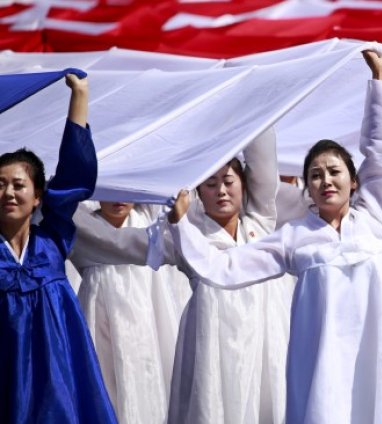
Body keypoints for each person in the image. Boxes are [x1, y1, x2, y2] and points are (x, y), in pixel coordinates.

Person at [167, 50, 382, 423]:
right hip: (324, 371)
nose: (326, 181)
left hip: (377, 360)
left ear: (354, 180)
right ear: (307, 189)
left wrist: (379, 83)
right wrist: (180, 225)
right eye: (316, 175)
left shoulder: (374, 217)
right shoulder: (295, 238)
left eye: (334, 172)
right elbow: (225, 267)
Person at [71, 127, 294, 424]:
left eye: (229, 181)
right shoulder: (185, 235)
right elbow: (119, 242)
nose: (222, 191)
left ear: (244, 186)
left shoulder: (260, 224)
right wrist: (61, 210)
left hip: (265, 348)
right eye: (211, 185)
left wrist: (259, 100)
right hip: (212, 348)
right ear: (198, 194)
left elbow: (264, 165)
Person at [0, 73, 117, 423]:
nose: (8, 192)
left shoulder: (52, 241)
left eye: (18, 185)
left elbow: (73, 179)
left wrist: (79, 97)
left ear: (37, 197)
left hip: (57, 376)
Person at [70, 201, 192, 424]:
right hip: (99, 325)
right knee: (103, 386)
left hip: (146, 329)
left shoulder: (148, 221)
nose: (119, 200)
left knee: (146, 390)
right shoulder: (83, 227)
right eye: (111, 191)